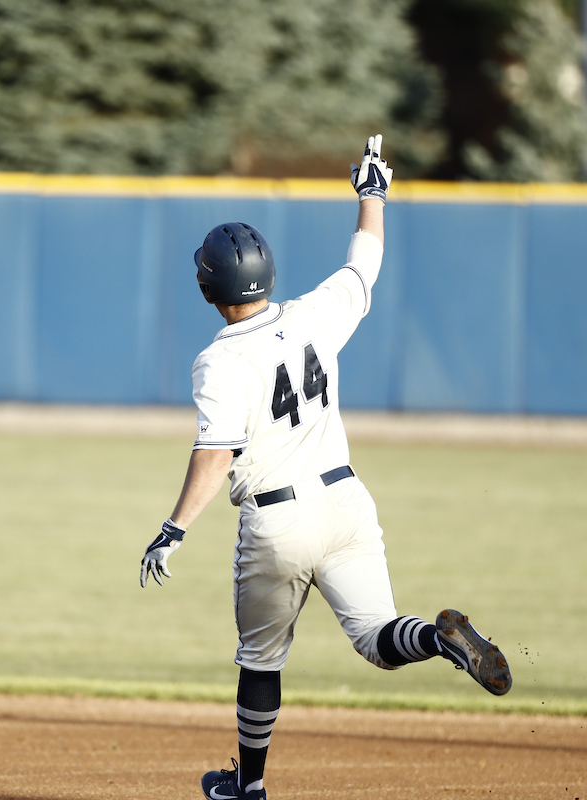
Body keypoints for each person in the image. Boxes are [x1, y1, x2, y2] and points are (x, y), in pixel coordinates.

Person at [138, 135, 512, 800]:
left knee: (260, 660)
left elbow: (216, 450)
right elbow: (364, 260)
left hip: (277, 521)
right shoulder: (314, 316)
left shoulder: (219, 361)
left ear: (207, 287)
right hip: (346, 503)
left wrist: (175, 528)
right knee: (377, 636)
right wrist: (372, 193)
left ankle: (247, 789)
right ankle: (439, 638)